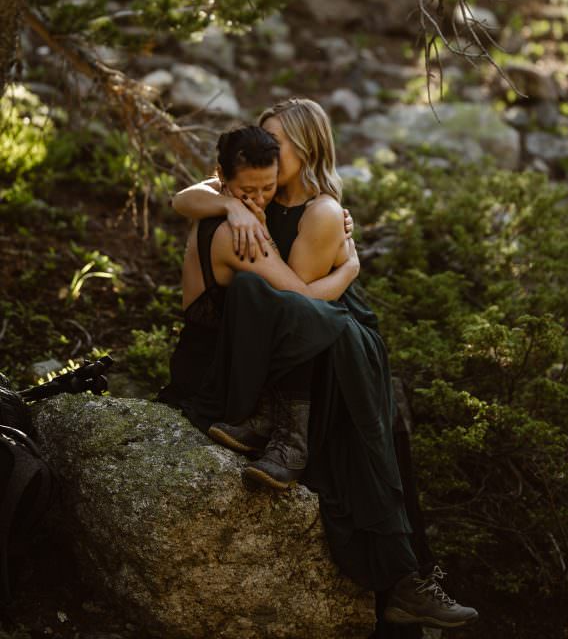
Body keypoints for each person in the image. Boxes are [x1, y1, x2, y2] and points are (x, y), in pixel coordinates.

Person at [169, 99, 479, 632]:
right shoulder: (242, 199)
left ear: (306, 148)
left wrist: (338, 260)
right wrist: (236, 208)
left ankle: (402, 575)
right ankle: (399, 573)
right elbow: (188, 200)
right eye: (261, 139)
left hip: (324, 333)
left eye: (276, 143)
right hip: (304, 324)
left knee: (359, 418)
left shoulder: (318, 211)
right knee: (282, 309)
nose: (264, 152)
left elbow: (301, 312)